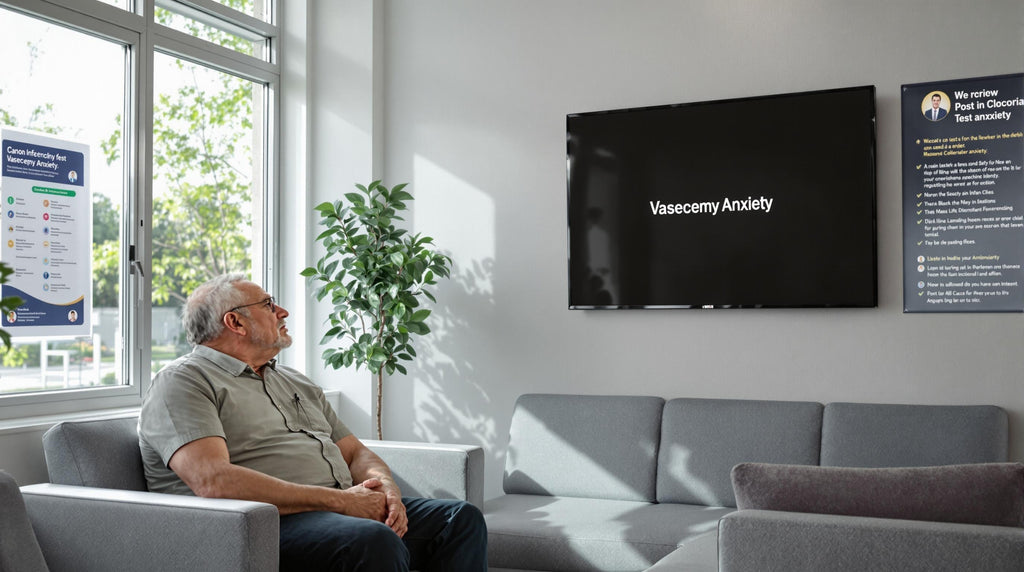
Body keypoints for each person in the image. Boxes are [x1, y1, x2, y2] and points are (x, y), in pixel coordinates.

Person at [139, 273, 487, 571]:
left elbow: (354, 454)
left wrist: (388, 490)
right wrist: (339, 502)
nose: (282, 311)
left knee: (460, 520)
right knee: (371, 540)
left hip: (336, 505)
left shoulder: (293, 380)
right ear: (235, 323)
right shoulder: (184, 381)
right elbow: (212, 480)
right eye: (268, 304)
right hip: (264, 522)